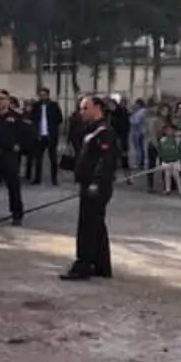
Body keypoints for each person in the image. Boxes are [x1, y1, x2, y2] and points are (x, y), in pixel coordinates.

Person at [60, 96, 116, 281]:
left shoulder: (105, 131)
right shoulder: (90, 129)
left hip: (96, 186)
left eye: (85, 108)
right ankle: (102, 266)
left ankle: (82, 265)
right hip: (88, 183)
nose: (81, 112)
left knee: (87, 226)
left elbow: (105, 161)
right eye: (81, 109)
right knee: (97, 225)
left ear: (98, 108)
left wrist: (96, 182)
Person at [0, 91, 28, 226]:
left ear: (8, 100)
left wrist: (20, 146)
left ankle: (17, 214)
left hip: (10, 155)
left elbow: (27, 132)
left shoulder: (16, 116)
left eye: (2, 99)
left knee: (13, 187)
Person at [31, 87, 63, 186]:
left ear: (48, 95)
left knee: (53, 158)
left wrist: (53, 128)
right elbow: (33, 119)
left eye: (44, 95)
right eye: (40, 95)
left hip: (51, 135)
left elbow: (60, 118)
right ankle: (37, 178)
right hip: (40, 135)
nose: (42, 97)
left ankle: (54, 179)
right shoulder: (36, 106)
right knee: (38, 158)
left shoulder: (54, 105)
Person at [156, 123, 181, 195]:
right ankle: (168, 189)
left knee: (176, 176)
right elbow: (159, 150)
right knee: (167, 176)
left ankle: (180, 189)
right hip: (166, 161)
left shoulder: (177, 140)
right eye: (167, 130)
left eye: (171, 130)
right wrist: (163, 157)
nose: (169, 132)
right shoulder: (162, 140)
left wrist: (178, 157)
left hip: (175, 161)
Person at [129, 99, 147, 170]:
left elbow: (135, 121)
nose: (135, 105)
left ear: (139, 104)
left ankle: (140, 163)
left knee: (139, 148)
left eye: (136, 104)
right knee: (138, 148)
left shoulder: (141, 112)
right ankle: (139, 162)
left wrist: (132, 115)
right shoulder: (138, 111)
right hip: (136, 132)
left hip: (139, 132)